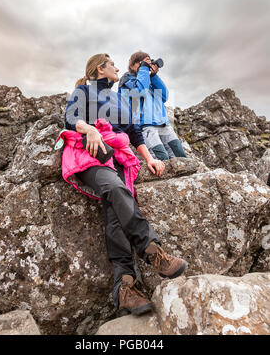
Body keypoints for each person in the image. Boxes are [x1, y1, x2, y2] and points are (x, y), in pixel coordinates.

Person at [60, 53, 188, 316]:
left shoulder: (119, 97)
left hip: (118, 157)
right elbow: (70, 118)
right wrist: (91, 129)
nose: (117, 68)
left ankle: (125, 288)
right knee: (116, 190)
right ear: (100, 69)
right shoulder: (84, 90)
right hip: (91, 154)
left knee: (115, 210)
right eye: (112, 64)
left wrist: (150, 158)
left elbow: (133, 132)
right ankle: (153, 251)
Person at [118, 51, 186, 161]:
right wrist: (144, 69)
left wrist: (154, 76)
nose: (145, 67)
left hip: (162, 124)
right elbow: (140, 91)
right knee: (161, 157)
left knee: (180, 156)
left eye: (147, 63)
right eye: (141, 63)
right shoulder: (127, 80)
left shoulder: (149, 81)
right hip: (145, 126)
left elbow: (164, 96)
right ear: (132, 65)